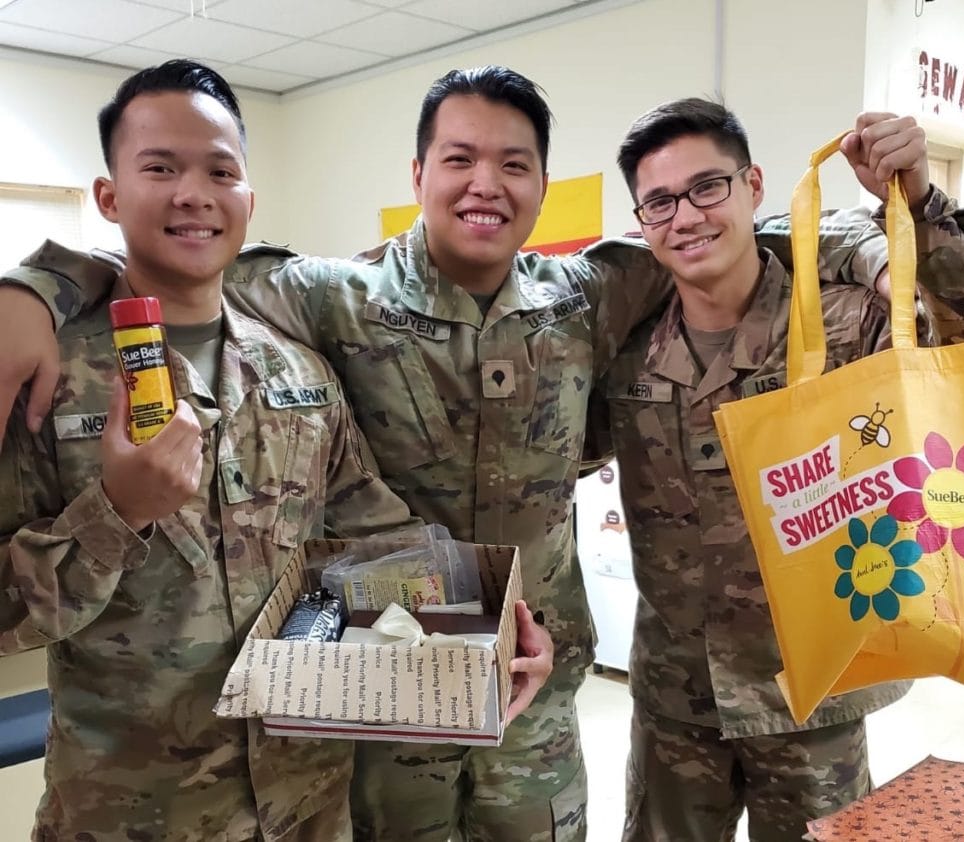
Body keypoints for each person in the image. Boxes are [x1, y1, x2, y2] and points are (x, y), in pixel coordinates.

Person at [0, 67, 890, 841]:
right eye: (458, 159)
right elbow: (181, 257)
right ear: (419, 173)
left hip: (529, 689)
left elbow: (732, 231)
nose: (484, 184)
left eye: (514, 164)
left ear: (544, 184)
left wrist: (875, 239)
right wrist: (37, 285)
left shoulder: (586, 293)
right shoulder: (332, 300)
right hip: (382, 697)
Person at [0, 60, 554, 842]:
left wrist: (495, 629)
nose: (194, 192)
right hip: (136, 815)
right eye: (160, 167)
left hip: (308, 805)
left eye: (220, 171)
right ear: (109, 196)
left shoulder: (300, 372)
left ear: (248, 200)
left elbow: (374, 541)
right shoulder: (44, 375)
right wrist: (115, 515)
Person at [584, 98, 964, 841]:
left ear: (754, 185)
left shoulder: (846, 322)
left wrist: (919, 205)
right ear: (641, 220)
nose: (686, 216)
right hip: (675, 699)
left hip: (812, 695)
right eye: (659, 201)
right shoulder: (629, 351)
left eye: (707, 187)